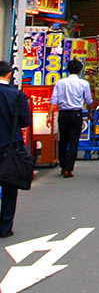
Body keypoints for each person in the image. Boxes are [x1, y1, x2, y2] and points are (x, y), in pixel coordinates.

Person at [0, 61, 30, 237]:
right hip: (10, 145)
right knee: (10, 186)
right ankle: (5, 227)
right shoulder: (17, 95)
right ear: (9, 75)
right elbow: (25, 121)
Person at [49, 59, 92, 178]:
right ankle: (68, 168)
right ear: (80, 71)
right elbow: (88, 100)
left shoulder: (60, 82)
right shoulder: (84, 84)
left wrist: (49, 114)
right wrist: (89, 111)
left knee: (63, 140)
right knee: (73, 141)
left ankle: (62, 165)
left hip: (63, 113)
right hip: (76, 113)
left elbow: (54, 99)